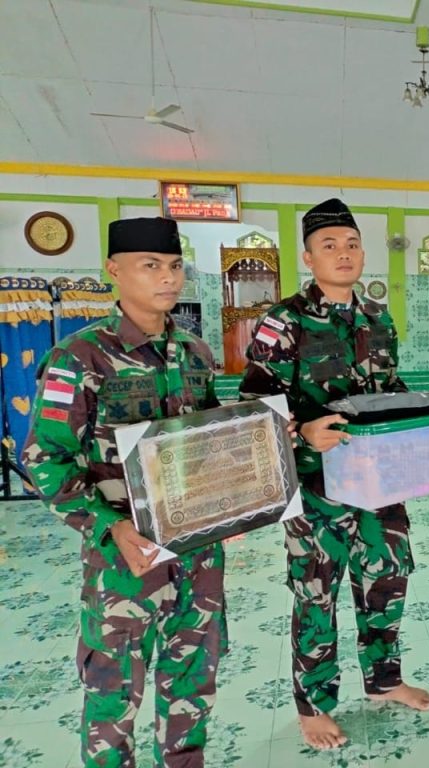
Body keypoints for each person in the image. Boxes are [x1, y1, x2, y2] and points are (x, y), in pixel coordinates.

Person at [21, 217, 227, 767]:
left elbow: (209, 442)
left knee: (193, 684)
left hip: (197, 553)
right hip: (124, 559)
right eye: (151, 266)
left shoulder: (195, 352)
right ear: (114, 270)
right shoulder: (79, 356)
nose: (168, 278)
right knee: (113, 695)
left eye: (175, 266)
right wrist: (107, 524)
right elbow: (44, 458)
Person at [238, 198, 429, 751]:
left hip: (381, 484)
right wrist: (302, 431)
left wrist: (419, 422)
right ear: (308, 257)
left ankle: (384, 680)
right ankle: (315, 705)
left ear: (363, 253)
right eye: (329, 245)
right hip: (316, 488)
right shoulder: (284, 321)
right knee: (316, 593)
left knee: (387, 578)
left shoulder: (377, 318)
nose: (343, 253)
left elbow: (389, 392)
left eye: (351, 244)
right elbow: (253, 405)